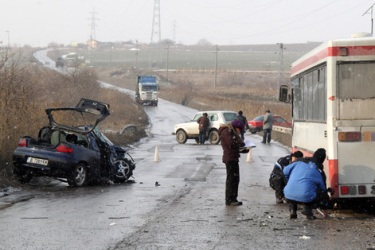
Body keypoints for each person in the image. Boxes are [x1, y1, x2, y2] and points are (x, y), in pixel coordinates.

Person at [283, 148, 328, 220]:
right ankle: (308, 211)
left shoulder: (299, 162)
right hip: (305, 196)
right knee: (317, 193)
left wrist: (289, 180)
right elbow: (322, 188)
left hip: (288, 194)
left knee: (295, 190)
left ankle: (293, 210)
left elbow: (285, 171)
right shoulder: (317, 170)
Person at [219, 119, 246, 206]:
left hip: (233, 158)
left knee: (235, 179)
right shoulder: (227, 132)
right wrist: (240, 143)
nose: (239, 132)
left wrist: (243, 147)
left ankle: (234, 198)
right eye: (239, 130)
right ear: (236, 127)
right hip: (229, 159)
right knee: (231, 180)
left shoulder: (232, 132)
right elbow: (231, 143)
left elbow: (237, 143)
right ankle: (229, 200)